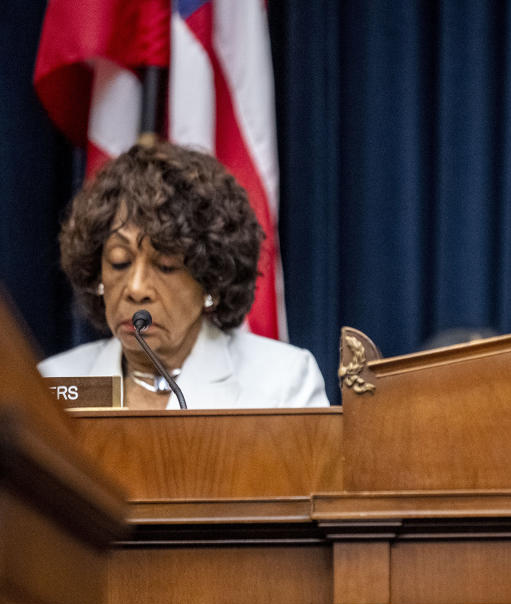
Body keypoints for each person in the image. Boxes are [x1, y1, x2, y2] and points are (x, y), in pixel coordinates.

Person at [38, 142, 329, 409]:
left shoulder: (282, 383)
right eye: (119, 262)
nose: (136, 288)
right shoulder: (54, 383)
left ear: (210, 281)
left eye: (165, 266)